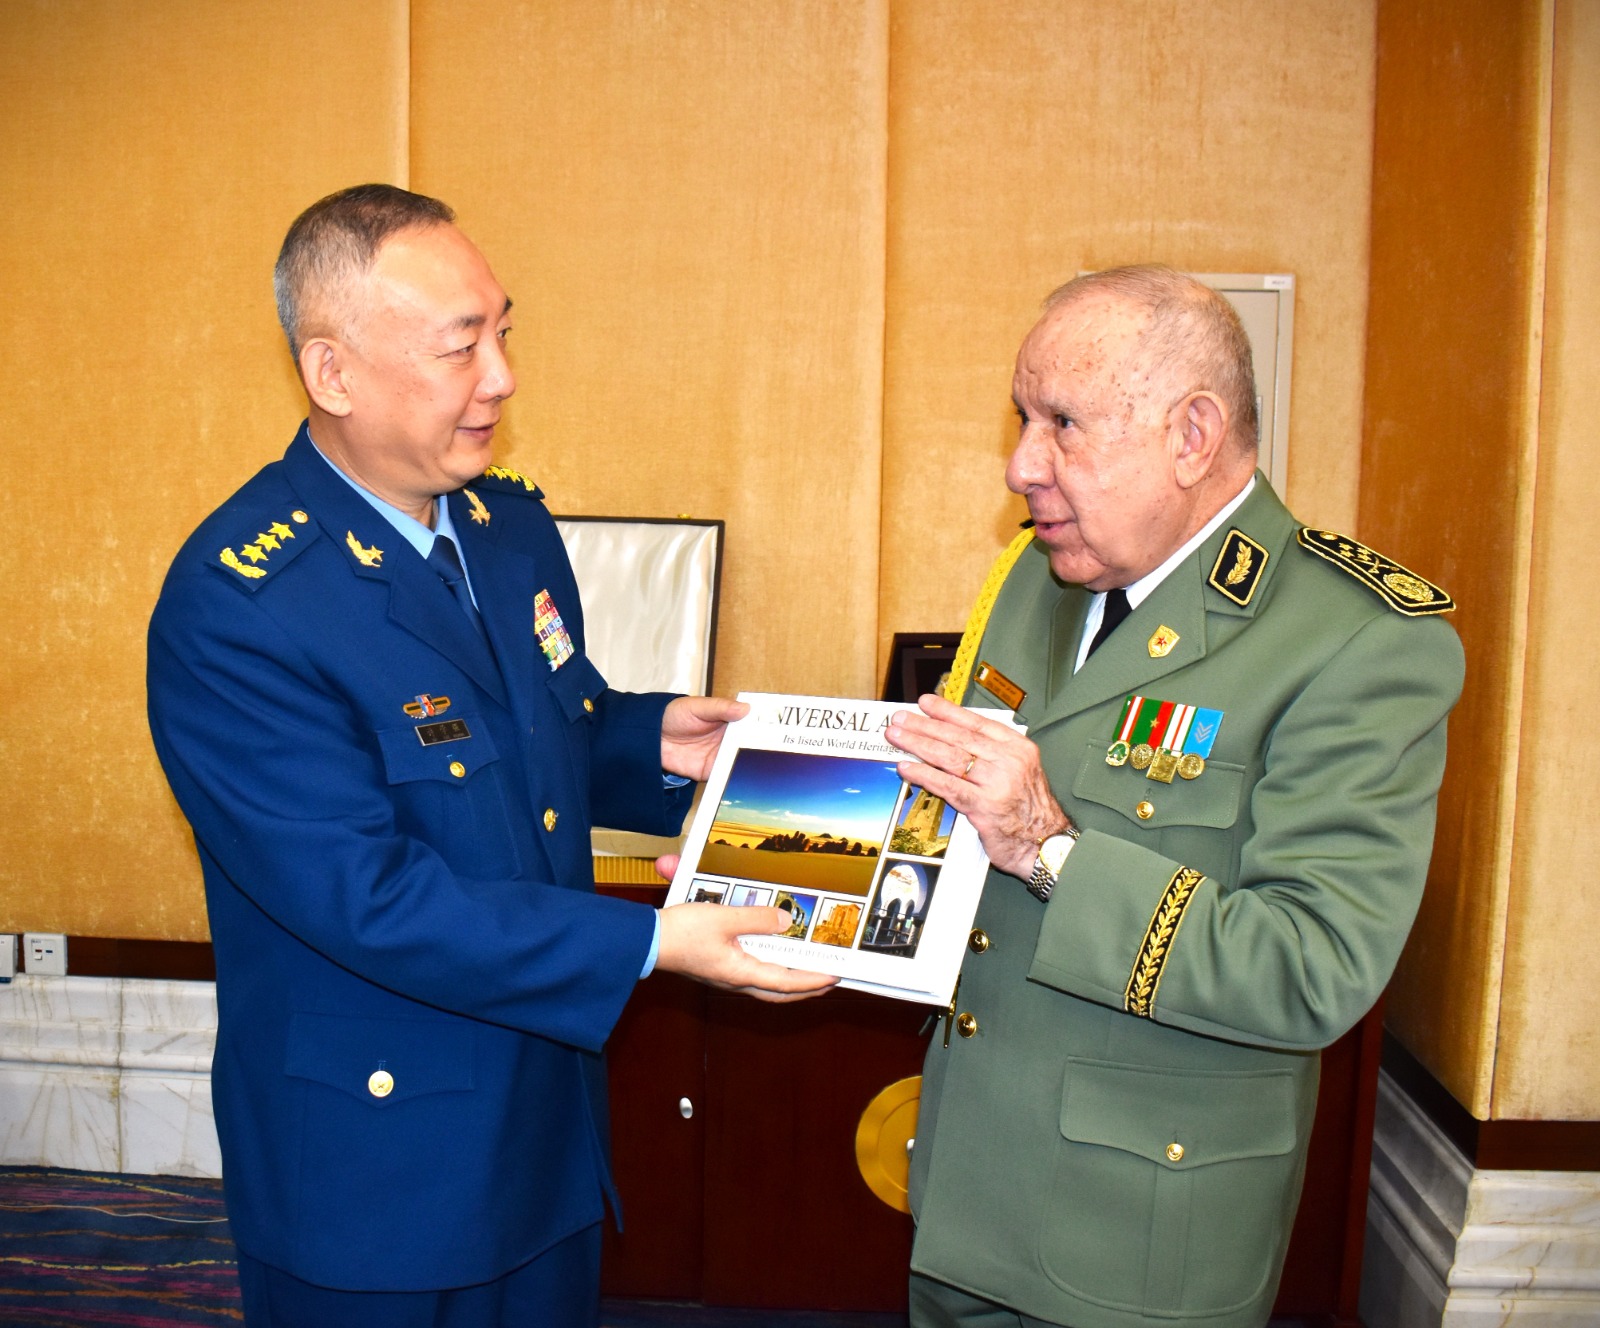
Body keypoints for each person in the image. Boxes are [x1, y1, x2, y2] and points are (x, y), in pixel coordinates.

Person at [146, 183, 832, 1328]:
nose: (503, 376)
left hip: (543, 1130)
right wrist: (654, 941)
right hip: (376, 1173)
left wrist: (656, 741)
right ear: (333, 373)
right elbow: (365, 896)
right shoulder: (244, 602)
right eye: (461, 344)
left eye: (504, 331)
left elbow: (539, 735)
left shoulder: (505, 528)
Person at [885, 265, 1463, 1328]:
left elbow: (1312, 968)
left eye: (1063, 424)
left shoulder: (1357, 640)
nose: (1021, 465)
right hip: (967, 1192)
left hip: (1135, 1238)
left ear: (1193, 435)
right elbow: (960, 814)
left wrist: (1052, 848)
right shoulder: (1036, 576)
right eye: (1022, 419)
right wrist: (795, 871)